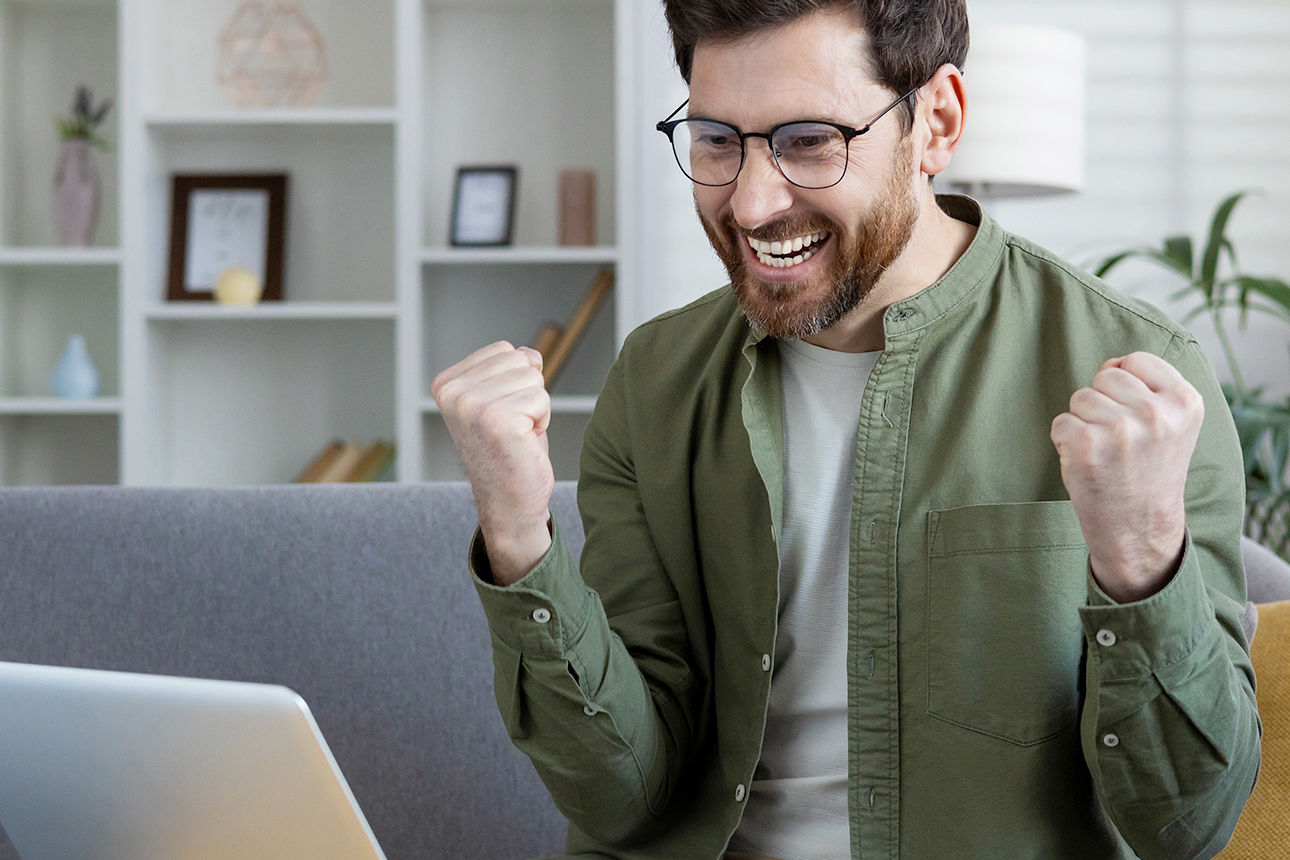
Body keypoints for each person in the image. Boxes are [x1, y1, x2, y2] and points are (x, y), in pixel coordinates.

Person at [431, 1, 1261, 857]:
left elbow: (1187, 826)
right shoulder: (654, 380)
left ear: (936, 123)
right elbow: (620, 800)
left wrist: (1141, 556)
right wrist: (517, 536)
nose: (752, 204)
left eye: (809, 141)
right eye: (715, 139)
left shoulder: (1139, 383)